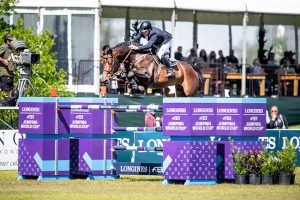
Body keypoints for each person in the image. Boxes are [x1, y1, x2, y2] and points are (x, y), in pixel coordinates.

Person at [0, 34, 15, 98]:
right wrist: (3, 61)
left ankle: (8, 102)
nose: (12, 41)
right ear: (7, 40)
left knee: (4, 88)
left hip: (9, 72)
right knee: (8, 89)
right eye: (10, 40)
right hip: (5, 72)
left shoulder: (10, 48)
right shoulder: (4, 47)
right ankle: (9, 103)